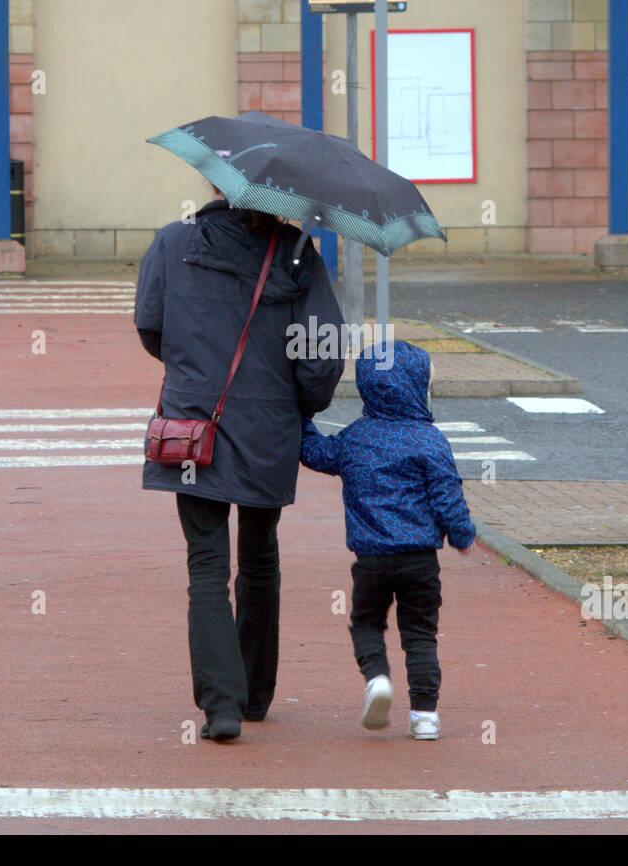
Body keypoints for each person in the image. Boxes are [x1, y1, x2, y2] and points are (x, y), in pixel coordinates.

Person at [134, 190, 345, 743]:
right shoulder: (296, 254)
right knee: (258, 557)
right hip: (268, 428)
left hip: (193, 427)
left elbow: (150, 327)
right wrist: (300, 404)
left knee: (205, 563)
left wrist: (193, 372)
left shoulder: (171, 242)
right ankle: (254, 694)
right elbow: (321, 356)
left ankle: (220, 707)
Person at [299, 339, 476, 740]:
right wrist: (462, 536)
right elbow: (448, 496)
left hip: (371, 559)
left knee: (367, 623)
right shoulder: (431, 440)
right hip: (420, 560)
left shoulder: (356, 438)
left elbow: (314, 453)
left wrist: (301, 416)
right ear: (417, 386)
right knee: (420, 634)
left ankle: (377, 679)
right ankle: (425, 715)